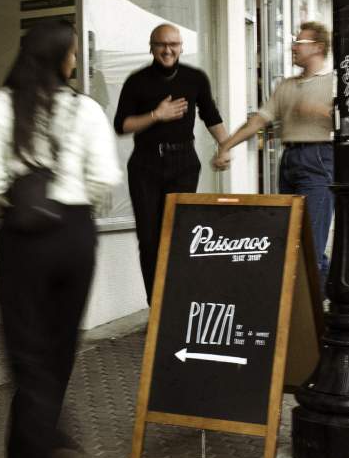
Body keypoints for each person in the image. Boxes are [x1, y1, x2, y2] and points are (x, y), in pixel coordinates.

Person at [0, 20, 121, 458]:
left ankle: (53, 449)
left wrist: (19, 209)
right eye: (73, 53)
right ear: (60, 58)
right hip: (76, 235)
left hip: (22, 236)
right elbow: (103, 177)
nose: (75, 61)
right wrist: (73, 210)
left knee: (25, 353)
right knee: (57, 352)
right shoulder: (87, 109)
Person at [114, 23, 228, 304]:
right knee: (150, 240)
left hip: (184, 162)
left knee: (179, 236)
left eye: (173, 44)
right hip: (145, 165)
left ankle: (178, 303)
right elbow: (122, 125)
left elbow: (210, 116)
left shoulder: (195, 78)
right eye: (161, 44)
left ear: (181, 47)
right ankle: (158, 307)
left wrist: (225, 146)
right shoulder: (136, 81)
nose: (168, 50)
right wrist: (156, 115)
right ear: (151, 47)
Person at [214, 22, 334, 285]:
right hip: (289, 160)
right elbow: (258, 120)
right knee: (291, 238)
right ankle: (326, 296)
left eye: (299, 43)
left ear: (318, 48)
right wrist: (226, 145)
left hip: (319, 159)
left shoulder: (335, 82)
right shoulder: (286, 86)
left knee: (310, 242)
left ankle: (310, 315)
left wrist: (321, 112)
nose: (292, 47)